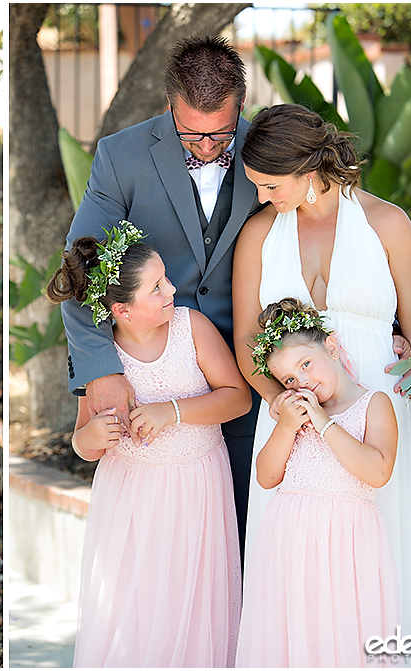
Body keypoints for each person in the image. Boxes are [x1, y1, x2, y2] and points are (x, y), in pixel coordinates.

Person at [232, 103, 411, 643]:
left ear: (307, 172)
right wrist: (277, 401)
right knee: (292, 572)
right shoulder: (258, 234)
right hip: (290, 423)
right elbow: (248, 339)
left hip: (375, 418)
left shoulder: (388, 224)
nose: (260, 197)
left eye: (270, 185)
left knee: (382, 555)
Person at [62, 36, 262, 559]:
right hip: (159, 366)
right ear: (169, 104)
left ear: (241, 105)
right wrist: (101, 369)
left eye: (220, 135)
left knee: (248, 537)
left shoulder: (266, 146)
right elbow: (81, 269)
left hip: (252, 368)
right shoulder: (120, 156)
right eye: (191, 134)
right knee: (165, 551)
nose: (207, 148)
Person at [47, 221, 251, 667]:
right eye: (157, 287)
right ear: (121, 310)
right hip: (130, 496)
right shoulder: (99, 357)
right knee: (136, 599)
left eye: (164, 278)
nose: (171, 288)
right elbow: (83, 441)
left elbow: (236, 398)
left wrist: (172, 411)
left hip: (197, 484)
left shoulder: (190, 327)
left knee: (191, 595)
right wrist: (92, 438)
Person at [236, 298, 400, 667]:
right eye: (289, 380)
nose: (303, 382)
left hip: (346, 544)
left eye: (306, 364)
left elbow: (377, 470)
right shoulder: (293, 417)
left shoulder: (373, 404)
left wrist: (325, 423)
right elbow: (265, 477)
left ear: (331, 346)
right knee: (293, 633)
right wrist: (286, 427)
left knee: (341, 632)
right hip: (289, 544)